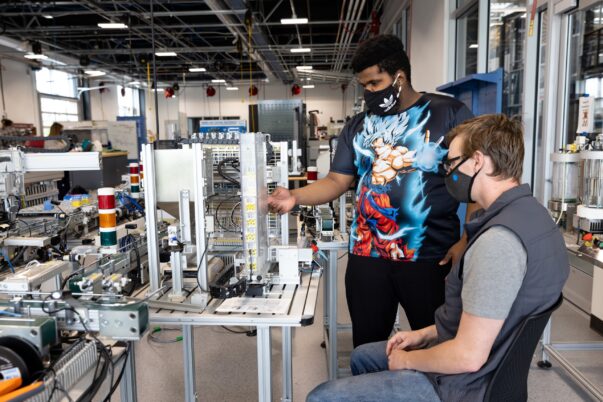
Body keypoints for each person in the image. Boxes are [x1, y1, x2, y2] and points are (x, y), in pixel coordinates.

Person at [306, 114, 570, 402]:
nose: (447, 173)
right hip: (487, 365)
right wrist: (424, 335)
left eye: (453, 162)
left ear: (478, 161)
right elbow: (488, 318)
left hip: (463, 386)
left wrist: (409, 361)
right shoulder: (535, 217)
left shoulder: (498, 242)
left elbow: (468, 356)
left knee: (322, 396)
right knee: (363, 356)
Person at [268, 34, 475, 347]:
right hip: (367, 255)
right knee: (367, 343)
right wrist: (296, 197)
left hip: (430, 254)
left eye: (375, 83)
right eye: (363, 85)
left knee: (437, 343)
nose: (368, 92)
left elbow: (477, 182)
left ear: (399, 78)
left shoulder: (450, 114)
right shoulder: (358, 126)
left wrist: (467, 240)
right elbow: (337, 181)